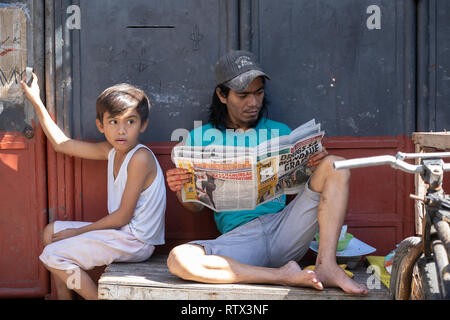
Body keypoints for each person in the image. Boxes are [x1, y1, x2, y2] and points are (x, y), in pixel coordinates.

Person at [165, 50, 369, 295]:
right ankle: (283, 276)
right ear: (222, 95)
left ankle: (327, 266)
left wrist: (314, 164)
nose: (253, 103)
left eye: (258, 93)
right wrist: (182, 188)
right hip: (240, 240)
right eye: (243, 95)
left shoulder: (281, 132)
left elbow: (305, 185)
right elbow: (195, 208)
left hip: (285, 228)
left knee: (335, 165)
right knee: (179, 259)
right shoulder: (199, 137)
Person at [21, 74, 166, 300]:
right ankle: (64, 295)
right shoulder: (111, 151)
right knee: (51, 233)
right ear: (101, 125)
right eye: (113, 122)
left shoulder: (140, 158)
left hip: (136, 241)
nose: (121, 130)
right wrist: (36, 100)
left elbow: (122, 217)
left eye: (130, 121)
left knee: (54, 255)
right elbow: (61, 144)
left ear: (143, 124)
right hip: (121, 234)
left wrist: (76, 232)